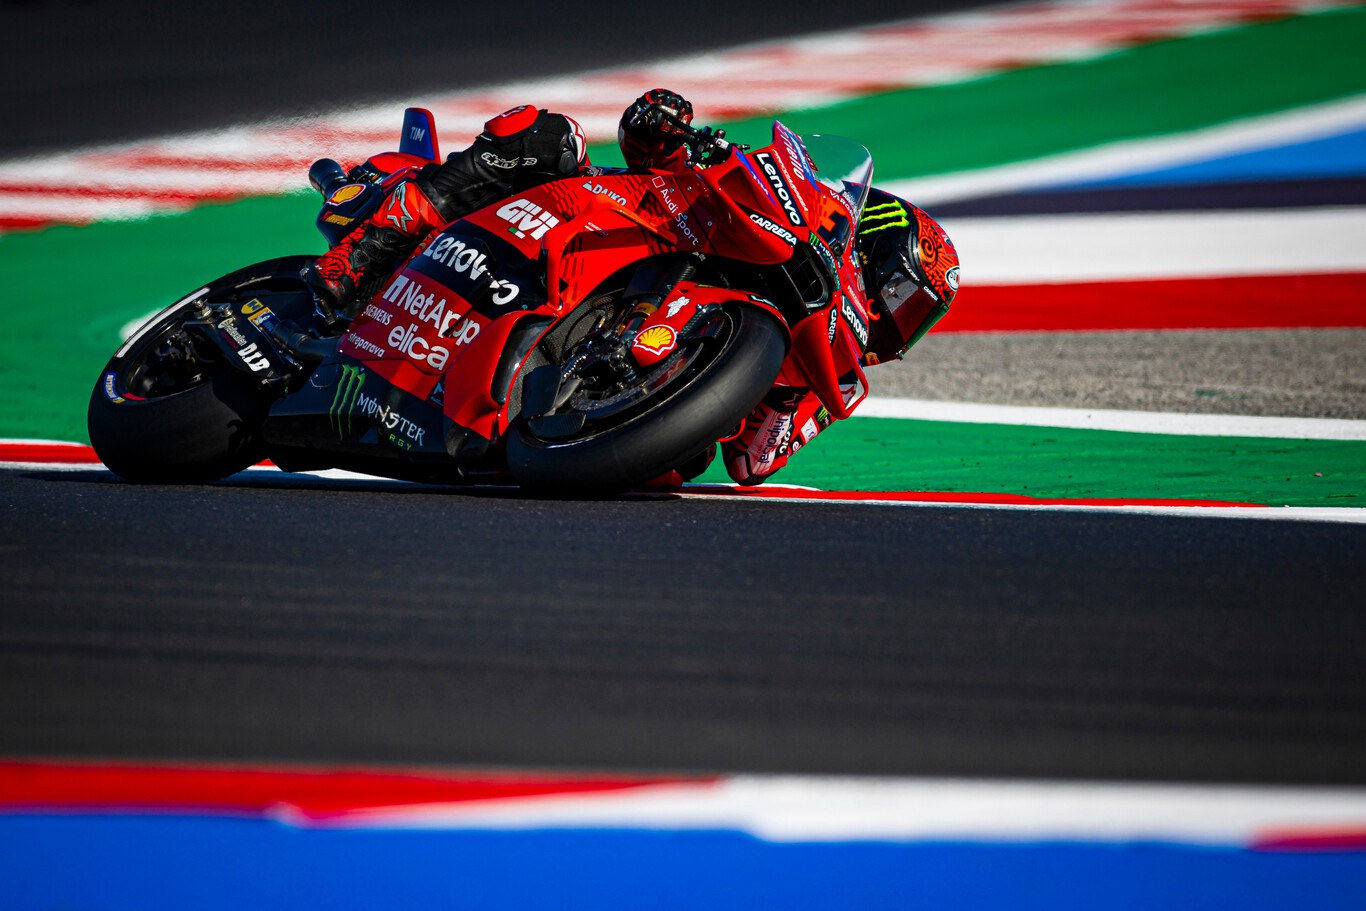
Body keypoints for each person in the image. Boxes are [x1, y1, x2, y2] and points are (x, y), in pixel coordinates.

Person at [307, 89, 957, 488]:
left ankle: (546, 402)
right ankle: (361, 257)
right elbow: (645, 152)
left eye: (913, 319)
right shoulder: (767, 213)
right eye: (900, 296)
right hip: (583, 220)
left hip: (591, 405)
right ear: (867, 240)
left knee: (685, 463)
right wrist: (665, 130)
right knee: (545, 135)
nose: (894, 321)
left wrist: (781, 394)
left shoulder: (815, 386)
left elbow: (753, 464)